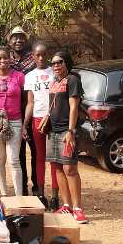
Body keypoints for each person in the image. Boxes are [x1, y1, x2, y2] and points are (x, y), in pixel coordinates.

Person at [46, 51, 87, 223]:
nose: (56, 65)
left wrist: (71, 131)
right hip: (53, 131)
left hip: (66, 132)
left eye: (59, 62)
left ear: (66, 63)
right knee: (57, 169)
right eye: (53, 63)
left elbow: (74, 108)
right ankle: (67, 206)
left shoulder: (73, 80)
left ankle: (78, 208)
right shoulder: (54, 81)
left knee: (70, 169)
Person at [23, 42, 59, 209]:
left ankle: (55, 196)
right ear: (33, 56)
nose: (41, 58)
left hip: (53, 120)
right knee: (40, 157)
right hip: (37, 119)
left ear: (48, 54)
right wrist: (25, 124)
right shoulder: (29, 76)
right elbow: (30, 102)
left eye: (44, 54)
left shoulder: (56, 72)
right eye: (37, 55)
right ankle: (40, 194)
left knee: (54, 159)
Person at [0, 46, 24, 196]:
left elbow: (25, 100)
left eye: (5, 57)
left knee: (14, 159)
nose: (3, 60)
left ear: (10, 59)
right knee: (0, 160)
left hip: (14, 121)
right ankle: (4, 195)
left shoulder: (19, 77)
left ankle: (19, 196)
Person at [7, 26, 38, 196]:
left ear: (25, 40)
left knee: (35, 152)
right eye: (14, 37)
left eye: (21, 37)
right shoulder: (6, 61)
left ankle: (38, 188)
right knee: (18, 155)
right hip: (14, 115)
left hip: (33, 112)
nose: (18, 40)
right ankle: (23, 190)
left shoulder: (33, 60)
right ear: (9, 41)